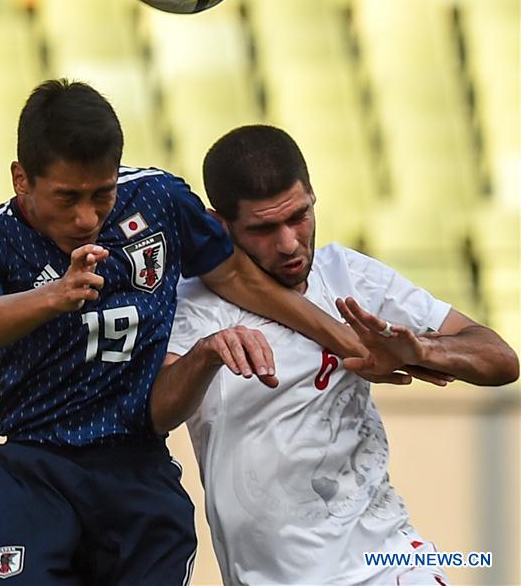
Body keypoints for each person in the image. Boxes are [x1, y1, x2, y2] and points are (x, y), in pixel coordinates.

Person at [0, 80, 415, 586]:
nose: (87, 217)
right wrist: (56, 294)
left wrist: (349, 341)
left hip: (138, 467)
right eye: (67, 198)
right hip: (36, 467)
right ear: (22, 179)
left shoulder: (158, 200)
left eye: (102, 194)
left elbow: (236, 277)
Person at [151, 124, 519, 586]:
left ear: (312, 195)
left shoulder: (349, 275)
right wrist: (205, 356)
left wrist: (424, 348)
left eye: (298, 216)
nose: (289, 242)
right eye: (264, 228)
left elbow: (501, 359)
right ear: (218, 224)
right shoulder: (194, 306)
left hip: (389, 561)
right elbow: (158, 414)